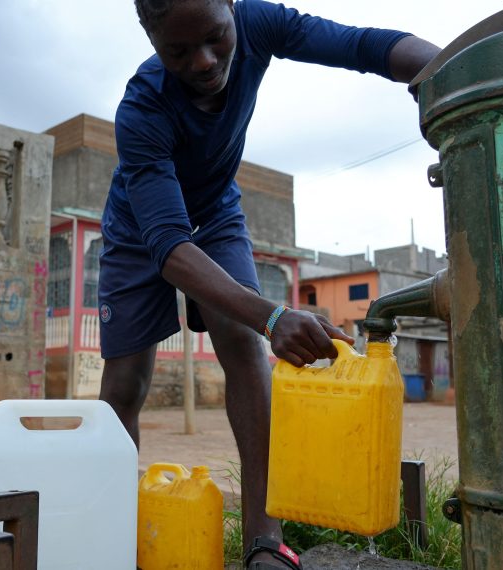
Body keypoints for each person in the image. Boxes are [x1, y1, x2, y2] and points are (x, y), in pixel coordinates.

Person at [97, 0, 440, 566]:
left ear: (233, 8)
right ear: (150, 37)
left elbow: (362, 46)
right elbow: (169, 249)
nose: (204, 63)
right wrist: (275, 316)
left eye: (215, 37)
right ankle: (110, 533)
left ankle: (264, 537)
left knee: (243, 347)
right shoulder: (142, 109)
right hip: (143, 230)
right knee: (126, 384)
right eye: (177, 52)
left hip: (216, 216)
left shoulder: (262, 24)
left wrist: (445, 69)